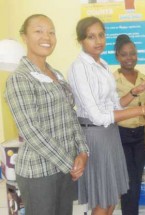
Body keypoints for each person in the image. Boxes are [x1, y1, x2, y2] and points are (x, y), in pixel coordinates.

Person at [67, 17, 145, 215]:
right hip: (95, 135)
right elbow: (98, 116)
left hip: (111, 135)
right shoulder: (79, 67)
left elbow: (114, 104)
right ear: (81, 41)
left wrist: (135, 92)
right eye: (91, 37)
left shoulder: (102, 64)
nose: (98, 41)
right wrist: (143, 110)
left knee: (113, 198)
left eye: (101, 35)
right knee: (102, 200)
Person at [5, 14, 89, 215]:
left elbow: (71, 116)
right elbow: (32, 130)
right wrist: (70, 163)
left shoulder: (57, 75)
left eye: (51, 32)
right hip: (38, 172)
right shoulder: (19, 79)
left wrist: (83, 151)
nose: (47, 37)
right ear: (24, 36)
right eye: (39, 31)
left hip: (64, 169)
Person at [113, 34, 145, 215]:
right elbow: (112, 108)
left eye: (133, 54)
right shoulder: (111, 80)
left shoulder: (144, 78)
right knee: (128, 181)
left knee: (137, 179)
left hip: (141, 135)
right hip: (121, 135)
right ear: (117, 56)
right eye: (124, 54)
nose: (129, 58)